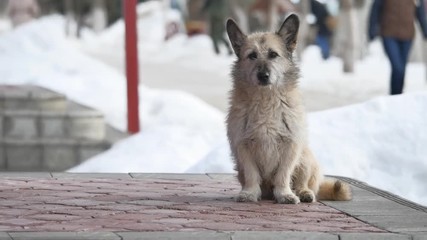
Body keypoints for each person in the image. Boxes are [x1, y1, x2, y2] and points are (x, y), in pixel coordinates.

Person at [369, 0, 427, 95]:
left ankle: (397, 96)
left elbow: (420, 13)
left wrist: (425, 30)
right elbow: (375, 9)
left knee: (402, 69)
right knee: (397, 67)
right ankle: (395, 95)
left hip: (407, 36)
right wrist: (372, 30)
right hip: (389, 34)